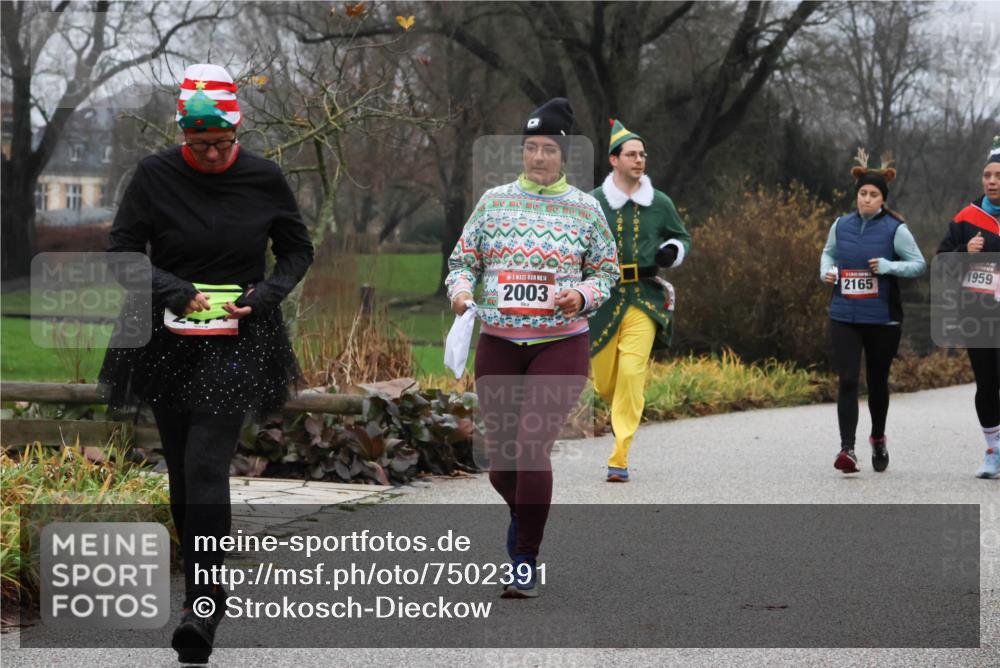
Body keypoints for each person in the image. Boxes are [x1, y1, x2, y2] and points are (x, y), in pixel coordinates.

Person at [98, 63, 314, 662]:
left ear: (237, 132)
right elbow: (121, 252)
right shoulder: (153, 175)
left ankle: (203, 608)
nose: (215, 154)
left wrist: (265, 295)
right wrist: (167, 286)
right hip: (166, 335)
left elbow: (298, 249)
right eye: (201, 145)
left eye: (223, 143)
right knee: (179, 476)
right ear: (182, 136)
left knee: (205, 465)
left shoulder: (265, 178)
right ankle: (206, 579)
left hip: (241, 334)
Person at [446, 98, 619, 598]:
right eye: (531, 148)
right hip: (499, 342)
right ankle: (524, 515)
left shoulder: (586, 209)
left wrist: (581, 294)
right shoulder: (494, 202)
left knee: (531, 447)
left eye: (548, 149)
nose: (539, 157)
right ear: (521, 153)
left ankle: (524, 558)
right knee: (503, 465)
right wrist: (460, 293)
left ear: (563, 154)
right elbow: (463, 262)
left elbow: (605, 272)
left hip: (560, 344)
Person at [588, 119, 691, 483]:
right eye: (631, 154)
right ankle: (621, 413)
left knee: (632, 374)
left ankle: (620, 456)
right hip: (602, 300)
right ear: (614, 160)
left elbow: (683, 238)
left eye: (643, 155)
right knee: (605, 382)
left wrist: (671, 250)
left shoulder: (660, 202)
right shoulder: (593, 202)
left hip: (645, 299)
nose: (639, 160)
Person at [820, 149, 925, 474]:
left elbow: (919, 264)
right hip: (844, 315)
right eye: (862, 193)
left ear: (883, 199)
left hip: (882, 318)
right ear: (857, 196)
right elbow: (828, 254)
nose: (866, 199)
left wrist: (890, 266)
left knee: (877, 382)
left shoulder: (897, 229)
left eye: (873, 194)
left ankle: (877, 437)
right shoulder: (841, 225)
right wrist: (827, 271)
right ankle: (847, 450)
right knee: (848, 381)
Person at [936, 135, 1000, 479]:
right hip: (979, 318)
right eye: (987, 175)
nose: (991, 181)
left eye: (998, 175)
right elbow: (941, 264)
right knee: (987, 386)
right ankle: (993, 450)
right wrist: (965, 253)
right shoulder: (965, 219)